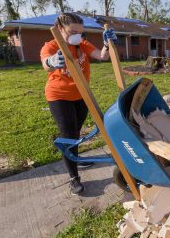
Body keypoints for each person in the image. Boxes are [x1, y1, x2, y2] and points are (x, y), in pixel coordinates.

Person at [40, 13, 117, 195]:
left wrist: (107, 44)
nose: (78, 35)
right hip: (59, 97)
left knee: (75, 133)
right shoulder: (50, 46)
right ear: (60, 30)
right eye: (73, 31)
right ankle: (74, 178)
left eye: (81, 32)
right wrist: (52, 61)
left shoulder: (81, 44)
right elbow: (45, 63)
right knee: (69, 136)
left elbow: (102, 56)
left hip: (81, 95)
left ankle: (75, 157)